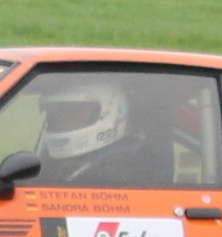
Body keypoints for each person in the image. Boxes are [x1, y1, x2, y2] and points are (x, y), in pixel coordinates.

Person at [36, 79, 166, 185]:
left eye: (73, 111)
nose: (61, 120)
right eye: (55, 113)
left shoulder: (118, 170)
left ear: (109, 112)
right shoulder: (71, 162)